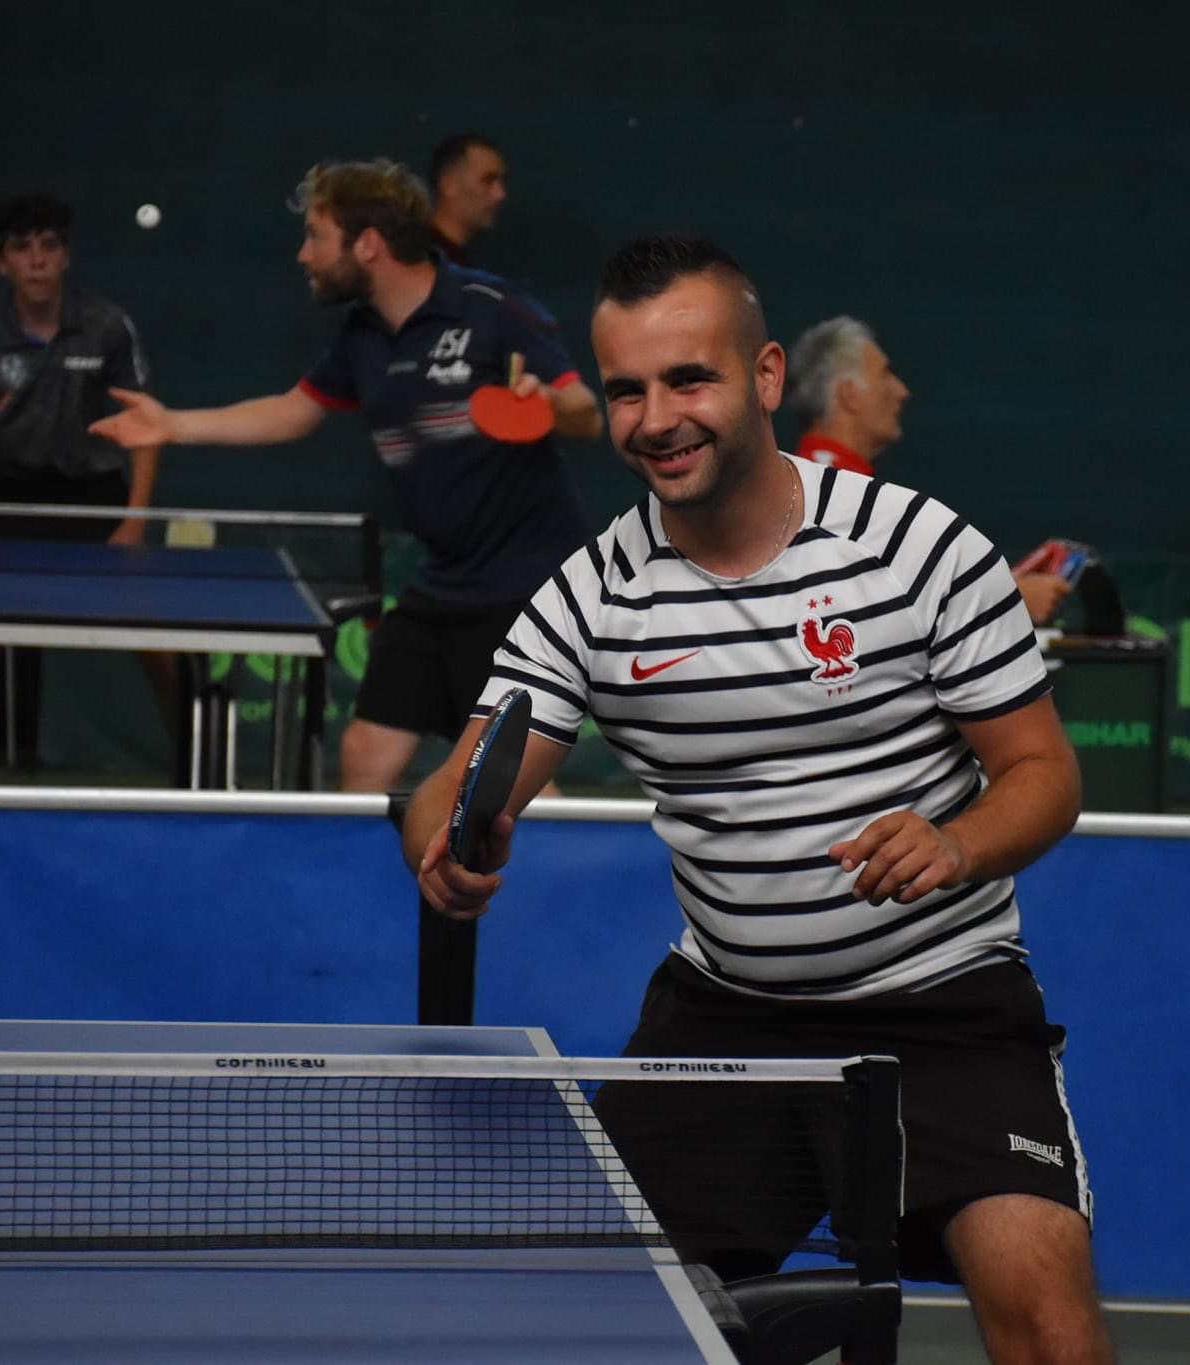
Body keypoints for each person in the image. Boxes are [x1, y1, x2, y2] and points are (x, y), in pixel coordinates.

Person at [405, 237, 1112, 1364]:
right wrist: (448, 839)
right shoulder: (591, 596)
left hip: (943, 1008)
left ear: (767, 376)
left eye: (689, 379)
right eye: (626, 390)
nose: (656, 419)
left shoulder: (920, 549)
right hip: (728, 1021)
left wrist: (956, 842)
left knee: (1050, 1335)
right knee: (593, 1335)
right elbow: (459, 783)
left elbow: (1044, 775)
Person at [90, 159, 601, 793]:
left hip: (523, 585)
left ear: (368, 244)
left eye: (316, 236)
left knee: (510, 781)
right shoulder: (363, 335)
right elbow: (293, 411)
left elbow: (587, 413)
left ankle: (562, 862)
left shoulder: (491, 307)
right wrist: (172, 425)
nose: (304, 254)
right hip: (444, 582)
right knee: (365, 755)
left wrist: (547, 404)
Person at [0, 190, 169, 782]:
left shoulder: (106, 327)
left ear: (66, 256)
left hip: (93, 501)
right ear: (1, 262)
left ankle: (196, 774)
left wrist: (134, 520)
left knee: (160, 646)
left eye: (49, 245)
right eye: (21, 248)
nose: (36, 259)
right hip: (7, 503)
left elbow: (146, 428)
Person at [788, 315, 1072, 627]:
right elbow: (852, 611)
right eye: (886, 374)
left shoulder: (827, 484)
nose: (902, 391)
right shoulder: (828, 491)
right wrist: (1004, 599)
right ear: (850, 394)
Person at [425, 134, 508, 267]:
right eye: (487, 180)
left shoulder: (454, 261)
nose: (500, 195)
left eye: (503, 182)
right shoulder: (419, 259)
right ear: (449, 185)